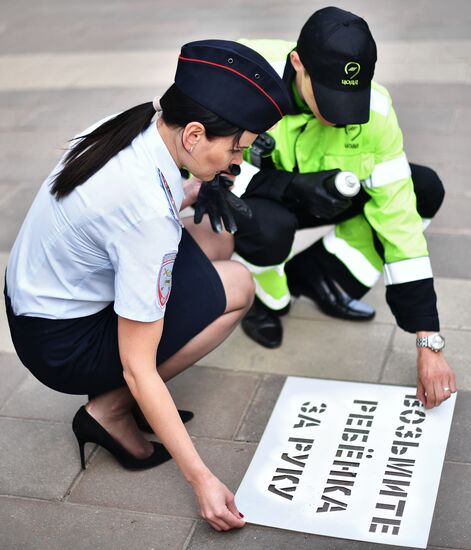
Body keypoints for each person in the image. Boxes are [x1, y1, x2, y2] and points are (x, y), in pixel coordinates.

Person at [4, 39, 291, 531]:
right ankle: (108, 411)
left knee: (213, 238)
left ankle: (119, 403)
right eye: (235, 148)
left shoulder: (129, 125)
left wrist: (198, 188)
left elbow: (135, 200)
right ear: (195, 134)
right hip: (61, 343)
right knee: (239, 286)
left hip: (37, 301)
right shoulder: (144, 218)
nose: (237, 161)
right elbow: (139, 366)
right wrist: (202, 479)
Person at [232, 7, 457, 409]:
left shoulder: (378, 111)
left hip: (331, 191)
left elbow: (400, 220)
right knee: (268, 228)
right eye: (331, 98)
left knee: (422, 188)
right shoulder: (241, 76)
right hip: (262, 197)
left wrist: (428, 340)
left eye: (351, 99)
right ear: (297, 63)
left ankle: (322, 278)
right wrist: (287, 184)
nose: (340, 118)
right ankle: (265, 299)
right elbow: (201, 176)